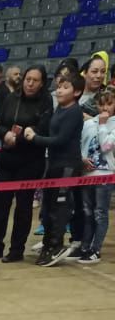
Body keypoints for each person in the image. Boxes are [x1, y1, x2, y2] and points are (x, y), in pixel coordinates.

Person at [0, 65, 51, 263]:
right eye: (28, 79)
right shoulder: (11, 98)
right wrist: (5, 134)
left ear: (42, 83)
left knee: (23, 207)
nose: (30, 83)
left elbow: (42, 129)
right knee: (1, 204)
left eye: (35, 80)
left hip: (30, 161)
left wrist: (18, 138)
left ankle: (17, 250)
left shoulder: (45, 102)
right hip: (8, 159)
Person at [25, 70, 85, 268]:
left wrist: (35, 138)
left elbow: (60, 140)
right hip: (54, 163)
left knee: (60, 206)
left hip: (67, 164)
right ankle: (48, 243)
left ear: (76, 92)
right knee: (48, 205)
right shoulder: (58, 109)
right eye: (58, 86)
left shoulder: (74, 111)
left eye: (65, 87)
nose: (59, 90)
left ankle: (56, 244)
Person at [78, 85, 115, 264]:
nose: (105, 108)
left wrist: (102, 125)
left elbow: (107, 145)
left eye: (109, 104)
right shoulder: (87, 124)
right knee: (87, 212)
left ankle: (95, 249)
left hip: (106, 175)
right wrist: (82, 159)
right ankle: (85, 246)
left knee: (100, 213)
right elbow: (80, 145)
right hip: (87, 175)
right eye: (101, 104)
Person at [80, 52, 109, 118]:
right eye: (94, 71)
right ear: (84, 73)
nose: (99, 76)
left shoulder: (108, 98)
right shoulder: (71, 94)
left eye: (103, 72)